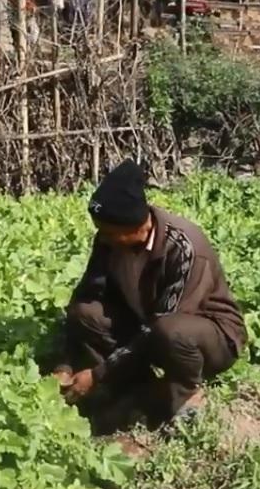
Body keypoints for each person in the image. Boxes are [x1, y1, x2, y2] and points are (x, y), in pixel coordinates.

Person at [54, 160, 245, 429]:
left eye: (109, 232)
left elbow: (158, 327)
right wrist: (65, 364)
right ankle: (133, 388)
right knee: (86, 312)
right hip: (149, 324)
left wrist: (98, 374)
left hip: (208, 338)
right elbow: (85, 295)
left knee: (170, 330)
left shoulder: (185, 247)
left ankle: (184, 392)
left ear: (138, 227)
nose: (102, 238)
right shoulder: (109, 241)